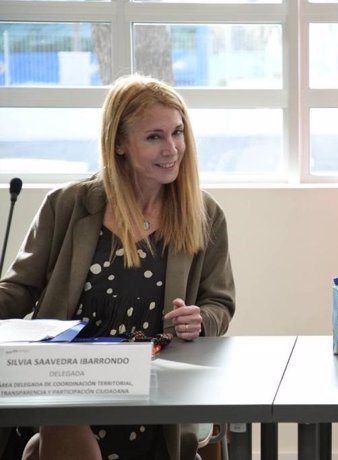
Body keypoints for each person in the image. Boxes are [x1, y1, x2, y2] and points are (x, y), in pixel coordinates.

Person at [0, 74, 236, 460]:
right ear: (120, 144)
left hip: (156, 387)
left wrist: (200, 320)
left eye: (177, 133)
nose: (172, 149)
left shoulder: (205, 214)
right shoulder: (66, 205)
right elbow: (18, 290)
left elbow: (219, 304)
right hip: (69, 383)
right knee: (60, 419)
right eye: (154, 137)